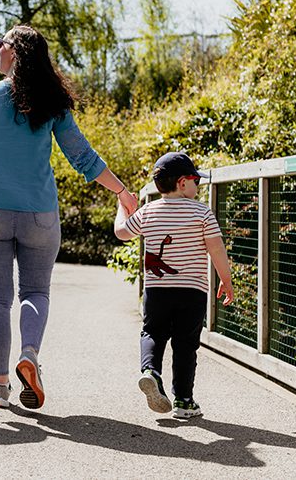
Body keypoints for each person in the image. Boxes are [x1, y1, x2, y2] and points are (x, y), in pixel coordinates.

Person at [0, 24, 138, 410]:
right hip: (39, 215)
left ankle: (0, 386)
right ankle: (29, 355)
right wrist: (121, 191)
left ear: (13, 52)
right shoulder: (53, 102)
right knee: (35, 293)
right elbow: (82, 155)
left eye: (0, 44)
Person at [113, 151, 234, 418]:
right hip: (192, 291)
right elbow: (216, 249)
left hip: (157, 290)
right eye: (195, 181)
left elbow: (121, 233)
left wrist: (122, 208)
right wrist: (226, 280)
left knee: (152, 332)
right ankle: (184, 401)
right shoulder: (202, 212)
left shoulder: (148, 210)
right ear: (182, 183)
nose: (197, 186)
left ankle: (150, 372)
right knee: (185, 344)